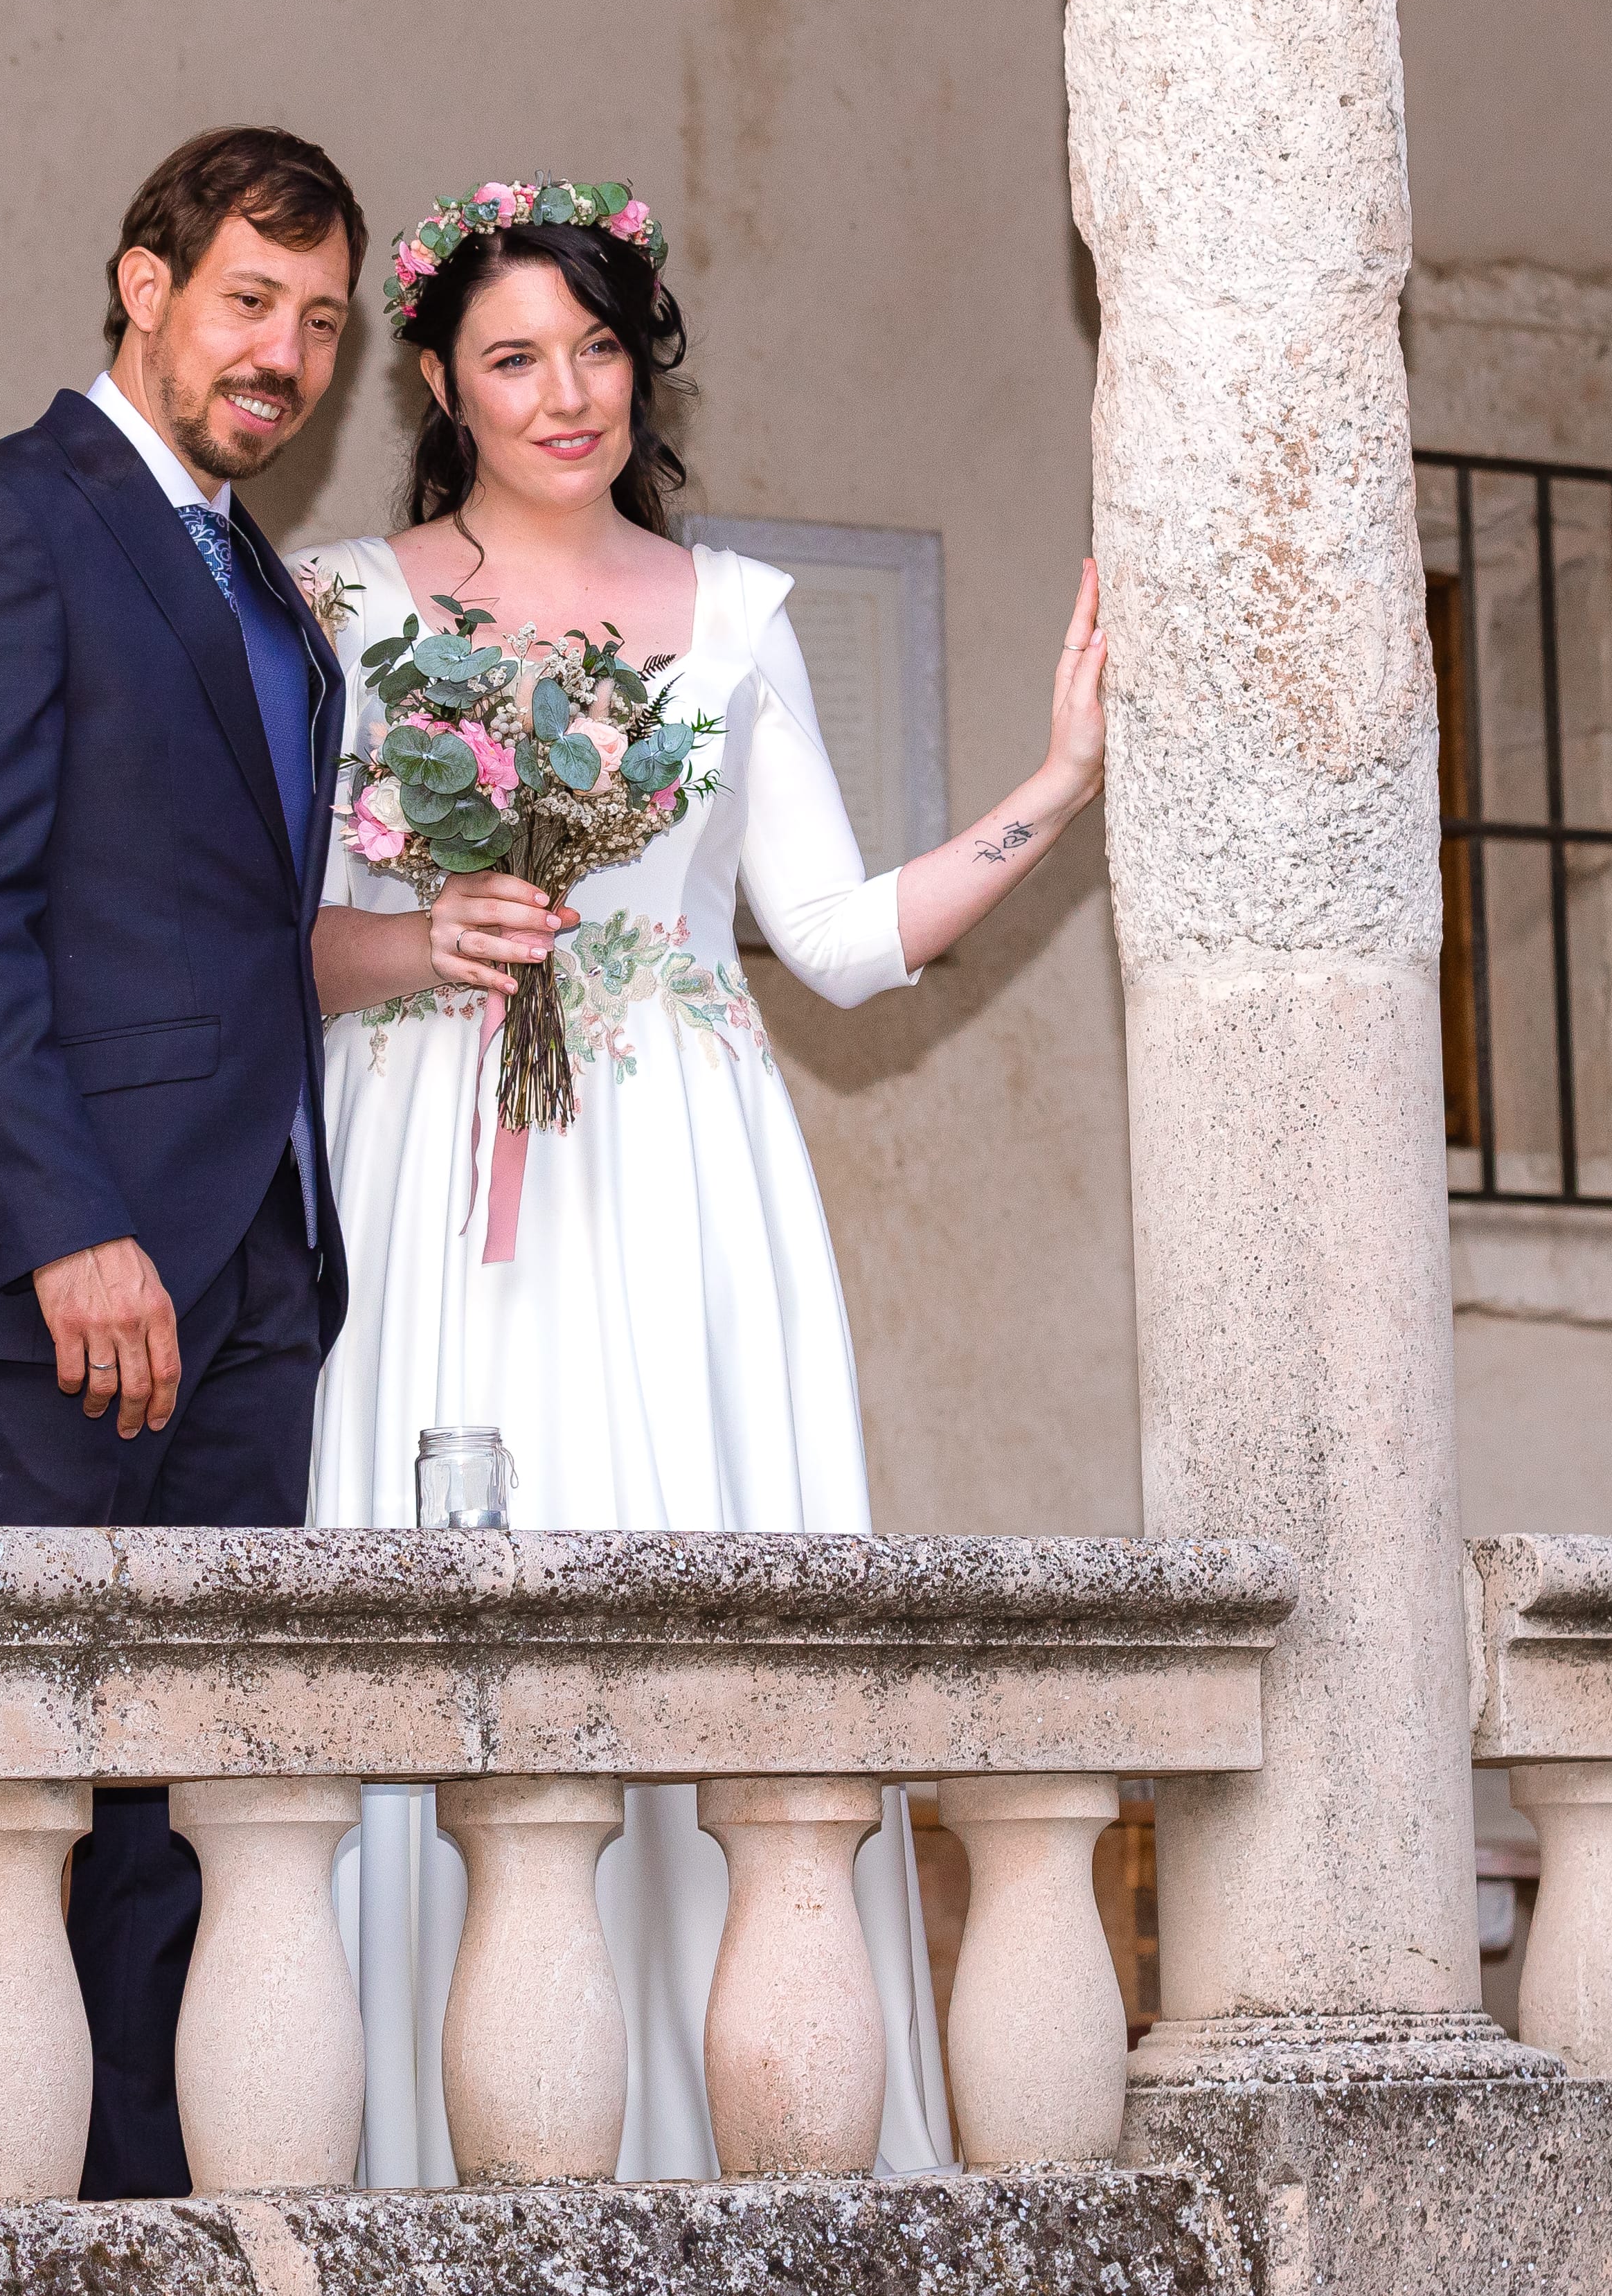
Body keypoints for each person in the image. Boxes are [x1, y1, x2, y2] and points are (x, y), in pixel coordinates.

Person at [289, 179, 1108, 2180]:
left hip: (675, 1169)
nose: (565, 392)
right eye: (513, 357)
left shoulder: (736, 617)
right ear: (438, 383)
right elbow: (253, 931)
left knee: (695, 1579)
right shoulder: (342, 609)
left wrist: (1060, 784)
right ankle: (431, 2161)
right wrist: (421, 937)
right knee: (438, 1607)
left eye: (596, 348)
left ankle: (736, 2135)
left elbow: (833, 938)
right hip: (430, 1156)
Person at [0, 125, 362, 2200]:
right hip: (52, 1288)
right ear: (144, 285)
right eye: (250, 300)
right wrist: (72, 1232)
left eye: (321, 322)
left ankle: (148, 2229)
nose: (284, 354)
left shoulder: (262, 583)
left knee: (179, 1816)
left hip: (254, 1277)